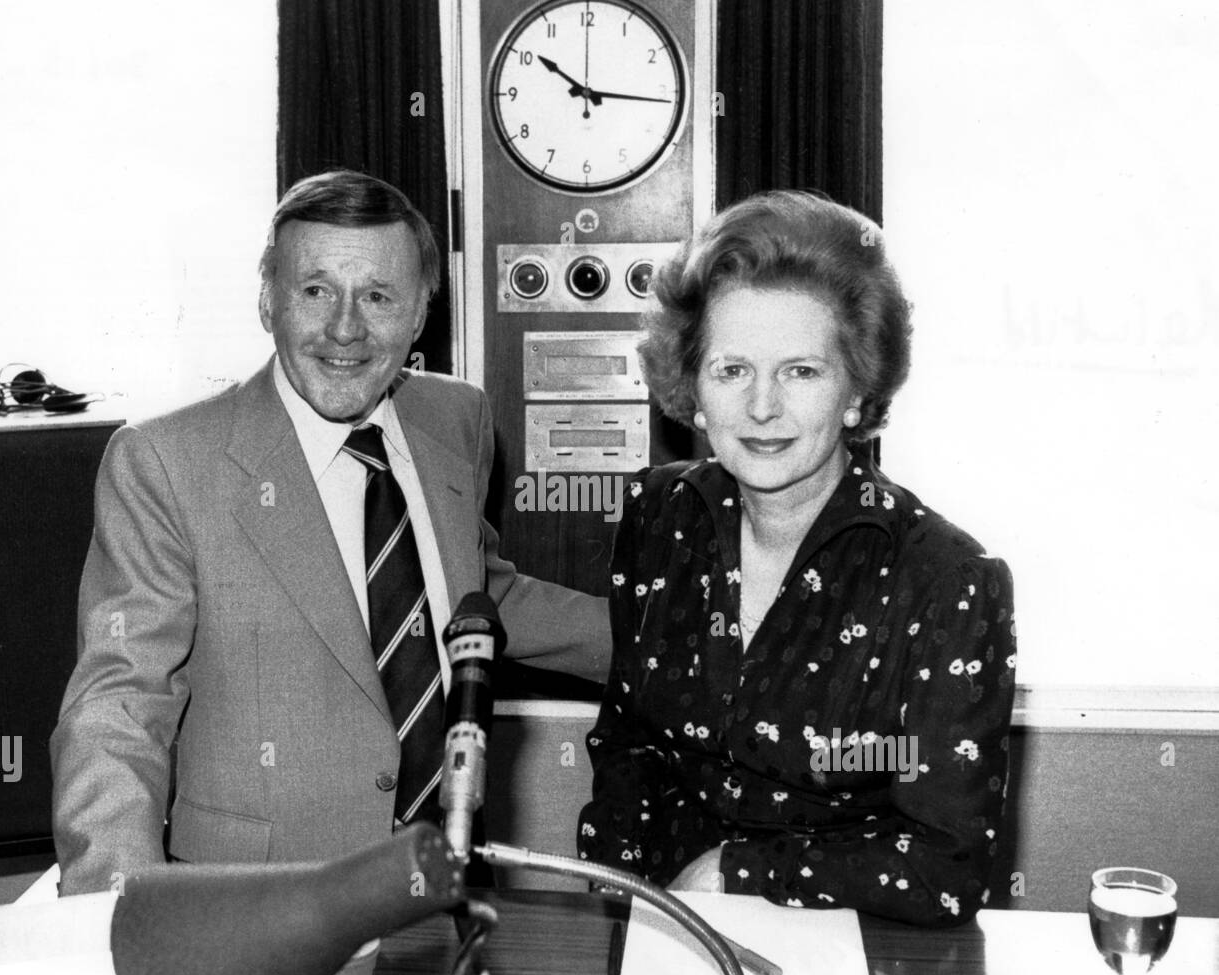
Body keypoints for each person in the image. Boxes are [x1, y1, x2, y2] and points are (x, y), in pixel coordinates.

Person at [52, 170, 609, 898]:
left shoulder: (457, 419)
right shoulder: (165, 462)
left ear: (419, 316)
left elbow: (478, 591)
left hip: (442, 878)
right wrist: (116, 918)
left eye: (379, 297)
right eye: (315, 290)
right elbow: (120, 704)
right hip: (259, 905)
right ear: (266, 301)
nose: (345, 328)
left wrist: (690, 645)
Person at [578, 191, 1016, 927]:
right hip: (664, 930)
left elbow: (948, 864)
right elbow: (628, 747)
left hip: (860, 946)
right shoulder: (657, 517)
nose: (761, 408)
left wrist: (736, 874)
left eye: (801, 372)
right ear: (693, 389)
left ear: (856, 389)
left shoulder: (946, 581)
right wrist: (624, 901)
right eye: (731, 371)